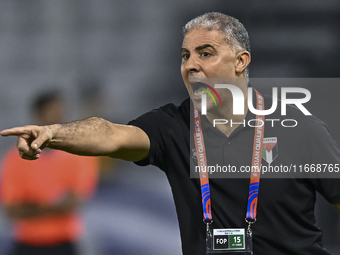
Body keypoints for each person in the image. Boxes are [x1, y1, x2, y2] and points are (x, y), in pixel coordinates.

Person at [1, 12, 340, 255]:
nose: (191, 64)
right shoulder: (173, 125)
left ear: (241, 61)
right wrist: (54, 133)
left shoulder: (299, 128)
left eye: (205, 53)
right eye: (184, 55)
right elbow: (110, 135)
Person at [0, 91, 98, 255]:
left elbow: (73, 203)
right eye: (52, 113)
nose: (58, 119)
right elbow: (12, 210)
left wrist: (33, 206)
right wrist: (54, 206)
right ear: (38, 115)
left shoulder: (78, 155)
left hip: (63, 242)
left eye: (61, 113)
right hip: (27, 243)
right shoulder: (15, 159)